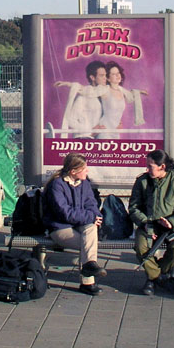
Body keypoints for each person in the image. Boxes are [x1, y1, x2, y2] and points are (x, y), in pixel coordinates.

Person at [128, 149, 174, 296]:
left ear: (162, 166)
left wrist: (171, 222)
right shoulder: (142, 181)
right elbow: (133, 207)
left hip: (172, 228)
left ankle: (153, 277)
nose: (147, 169)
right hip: (148, 224)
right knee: (141, 247)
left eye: (150, 166)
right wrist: (145, 223)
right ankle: (160, 278)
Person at [43, 153, 107, 296]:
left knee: (91, 228)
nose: (87, 171)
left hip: (81, 224)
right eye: (84, 168)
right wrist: (91, 217)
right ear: (73, 171)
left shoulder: (84, 183)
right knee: (88, 243)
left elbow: (92, 203)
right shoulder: (57, 185)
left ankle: (89, 266)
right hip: (60, 228)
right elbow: (64, 213)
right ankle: (87, 281)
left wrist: (96, 216)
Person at [55, 60, 107, 138]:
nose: (105, 78)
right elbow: (70, 120)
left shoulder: (100, 94)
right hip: (83, 138)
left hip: (96, 139)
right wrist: (90, 130)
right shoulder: (83, 97)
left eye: (105, 75)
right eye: (102, 75)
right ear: (92, 77)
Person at [97, 61, 148, 139]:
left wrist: (139, 92)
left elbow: (131, 95)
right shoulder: (104, 90)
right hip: (104, 130)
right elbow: (90, 92)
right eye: (114, 74)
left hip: (116, 131)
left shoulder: (123, 91)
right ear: (108, 78)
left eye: (118, 73)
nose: (117, 75)